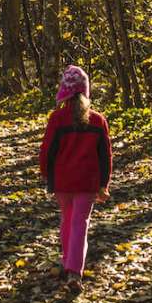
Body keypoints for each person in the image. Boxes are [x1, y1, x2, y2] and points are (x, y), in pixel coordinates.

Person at [38, 65, 112, 289]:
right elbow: (105, 156)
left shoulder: (57, 119)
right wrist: (103, 184)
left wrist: (47, 176)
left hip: (63, 182)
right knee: (80, 222)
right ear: (86, 91)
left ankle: (67, 262)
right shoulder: (98, 121)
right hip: (87, 183)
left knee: (67, 219)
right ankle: (74, 272)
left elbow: (46, 151)